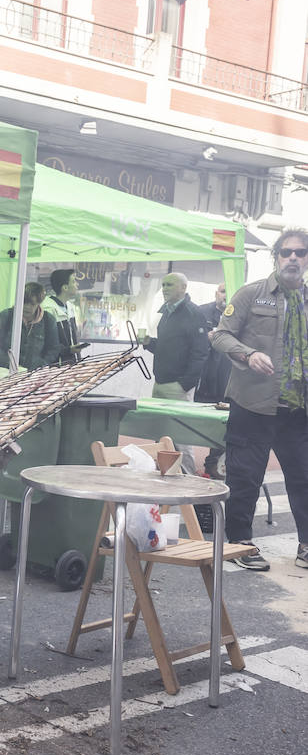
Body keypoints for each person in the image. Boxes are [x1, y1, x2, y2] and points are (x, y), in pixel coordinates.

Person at [209, 228, 308, 573]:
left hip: (296, 407)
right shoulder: (253, 294)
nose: (293, 258)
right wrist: (249, 354)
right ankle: (240, 542)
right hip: (253, 403)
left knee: (303, 476)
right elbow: (219, 334)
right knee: (245, 476)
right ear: (276, 257)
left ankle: (306, 544)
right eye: (286, 252)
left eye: (300, 252)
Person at [139, 271, 210, 473]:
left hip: (177, 385)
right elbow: (166, 347)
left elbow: (201, 353)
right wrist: (149, 343)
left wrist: (185, 384)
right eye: (163, 285)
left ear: (183, 288)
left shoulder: (193, 313)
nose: (164, 289)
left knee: (180, 437)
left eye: (170, 285)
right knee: (160, 434)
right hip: (160, 382)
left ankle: (187, 479)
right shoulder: (167, 313)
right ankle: (163, 474)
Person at [195, 282, 233, 477]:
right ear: (216, 293)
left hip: (228, 377)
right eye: (222, 291)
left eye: (228, 291)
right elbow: (193, 340)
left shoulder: (239, 315)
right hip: (206, 377)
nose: (225, 295)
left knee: (222, 424)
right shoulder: (202, 312)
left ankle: (213, 464)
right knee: (199, 420)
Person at [0, 281, 60, 370]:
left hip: (34, 374)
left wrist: (42, 365)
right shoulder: (6, 316)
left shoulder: (48, 320)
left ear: (39, 303)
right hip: (6, 372)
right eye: (24, 302)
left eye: (32, 304)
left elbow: (53, 349)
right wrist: (10, 365)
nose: (27, 307)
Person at [41, 269, 84, 364]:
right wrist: (68, 350)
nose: (77, 284)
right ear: (65, 287)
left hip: (70, 365)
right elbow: (46, 344)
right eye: (73, 281)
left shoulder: (70, 307)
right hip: (54, 367)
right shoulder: (48, 309)